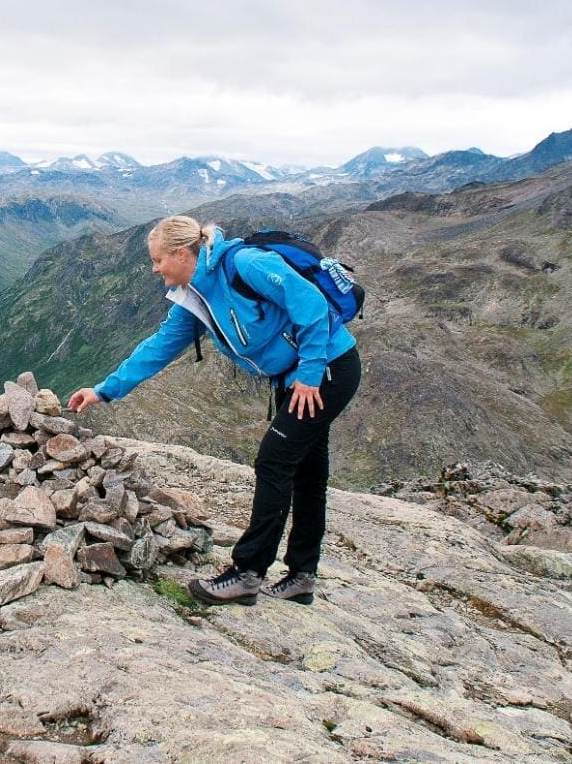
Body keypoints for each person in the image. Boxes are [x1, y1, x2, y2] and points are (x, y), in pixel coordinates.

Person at [67, 215, 361, 606]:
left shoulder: (245, 265)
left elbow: (308, 302)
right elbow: (159, 347)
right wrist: (104, 391)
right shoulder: (196, 296)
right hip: (300, 378)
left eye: (157, 260)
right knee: (307, 472)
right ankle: (302, 576)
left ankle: (247, 574)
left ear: (180, 253)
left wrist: (309, 372)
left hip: (326, 371)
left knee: (274, 463)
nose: (155, 269)